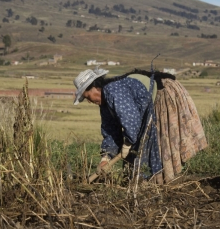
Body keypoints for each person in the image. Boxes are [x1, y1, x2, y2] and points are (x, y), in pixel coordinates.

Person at [73, 67, 207, 184]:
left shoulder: (113, 90)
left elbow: (131, 120)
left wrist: (128, 142)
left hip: (161, 96)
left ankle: (158, 183)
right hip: (145, 113)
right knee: (136, 155)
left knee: (152, 148)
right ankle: (145, 183)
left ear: (95, 87)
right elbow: (111, 131)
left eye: (88, 97)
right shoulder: (105, 104)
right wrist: (106, 158)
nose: (90, 101)